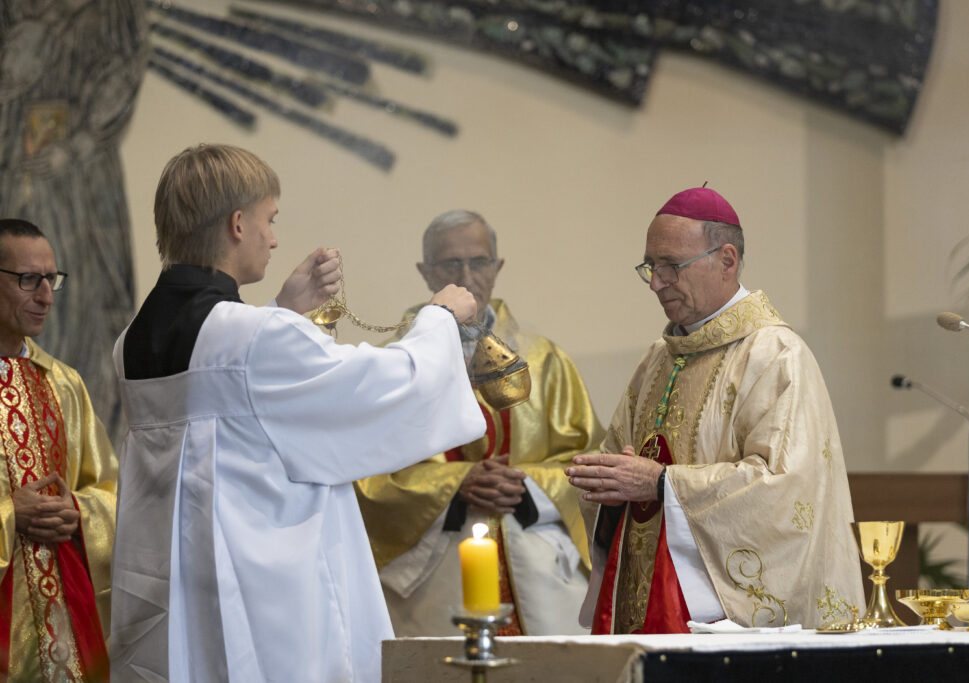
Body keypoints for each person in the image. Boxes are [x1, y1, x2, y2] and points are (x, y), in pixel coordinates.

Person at [107, 145, 485, 682]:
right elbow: (383, 390)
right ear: (238, 224)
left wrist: (283, 311)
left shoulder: (130, 342)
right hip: (263, 603)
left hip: (173, 599)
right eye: (270, 219)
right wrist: (440, 319)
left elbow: (228, 398)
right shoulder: (256, 336)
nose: (274, 238)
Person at [566, 187, 864, 633]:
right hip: (646, 605)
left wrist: (662, 484)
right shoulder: (658, 359)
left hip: (719, 622)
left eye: (671, 266)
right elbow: (623, 467)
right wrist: (609, 485)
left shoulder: (775, 355)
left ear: (727, 260)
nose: (656, 282)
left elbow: (783, 490)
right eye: (650, 267)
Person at [356, 210, 603, 635]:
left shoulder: (545, 360)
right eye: (451, 263)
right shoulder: (391, 365)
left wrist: (525, 485)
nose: (467, 276)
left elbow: (590, 461)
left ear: (498, 266)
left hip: (537, 559)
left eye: (479, 261)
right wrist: (456, 484)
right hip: (431, 569)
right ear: (425, 271)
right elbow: (362, 473)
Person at [0, 218, 117, 681]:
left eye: (52, 279)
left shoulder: (64, 384)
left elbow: (108, 491)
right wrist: (10, 513)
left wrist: (78, 512)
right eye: (29, 279)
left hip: (68, 630)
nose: (47, 296)